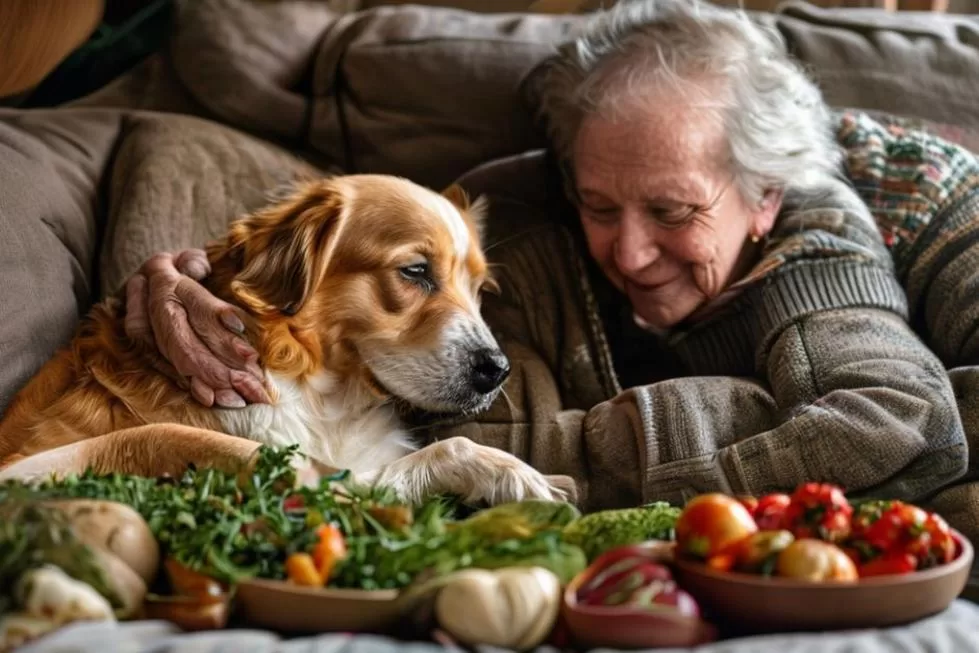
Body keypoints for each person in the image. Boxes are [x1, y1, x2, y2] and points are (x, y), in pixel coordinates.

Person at [122, 0, 977, 511]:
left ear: (765, 198)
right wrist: (195, 275)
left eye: (672, 211)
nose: (630, 253)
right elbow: (466, 431)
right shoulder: (520, 219)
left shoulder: (929, 199)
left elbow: (908, 425)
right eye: (600, 206)